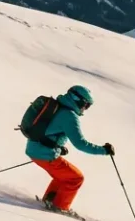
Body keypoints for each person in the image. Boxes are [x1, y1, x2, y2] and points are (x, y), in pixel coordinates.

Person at [25, 85, 115, 213]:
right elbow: (80, 144)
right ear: (79, 101)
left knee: (63, 176)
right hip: (44, 154)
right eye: (87, 105)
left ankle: (50, 200)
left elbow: (48, 130)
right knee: (76, 178)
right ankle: (60, 207)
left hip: (34, 148)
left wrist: (58, 147)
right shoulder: (70, 116)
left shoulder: (57, 106)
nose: (85, 109)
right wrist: (104, 150)